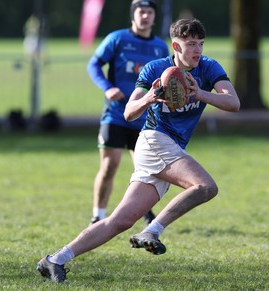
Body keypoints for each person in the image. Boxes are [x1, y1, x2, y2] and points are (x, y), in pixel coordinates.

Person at [36, 18, 240, 283]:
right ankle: (153, 230)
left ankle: (55, 260)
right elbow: (130, 113)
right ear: (176, 45)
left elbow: (233, 102)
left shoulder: (209, 68)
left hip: (169, 146)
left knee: (121, 221)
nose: (197, 50)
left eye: (200, 44)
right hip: (154, 140)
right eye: (191, 44)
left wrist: (201, 94)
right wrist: (150, 97)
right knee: (205, 187)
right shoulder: (156, 68)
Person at [86, 0, 169, 225]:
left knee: (145, 170)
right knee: (109, 167)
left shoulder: (160, 47)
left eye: (149, 12)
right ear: (134, 15)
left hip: (144, 119)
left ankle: (144, 211)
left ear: (154, 16)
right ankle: (98, 216)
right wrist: (108, 87)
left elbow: (166, 77)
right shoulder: (118, 38)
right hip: (115, 115)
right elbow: (93, 65)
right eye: (141, 12)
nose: (145, 16)